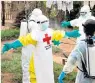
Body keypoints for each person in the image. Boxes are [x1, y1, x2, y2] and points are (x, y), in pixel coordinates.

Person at [58, 19, 95, 83]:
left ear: (84, 30)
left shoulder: (81, 45)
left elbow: (72, 60)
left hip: (83, 78)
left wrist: (63, 73)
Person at [19, 8, 42, 83]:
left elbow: (21, 39)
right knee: (35, 68)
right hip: (36, 50)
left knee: (26, 68)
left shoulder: (25, 23)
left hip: (27, 49)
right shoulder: (40, 24)